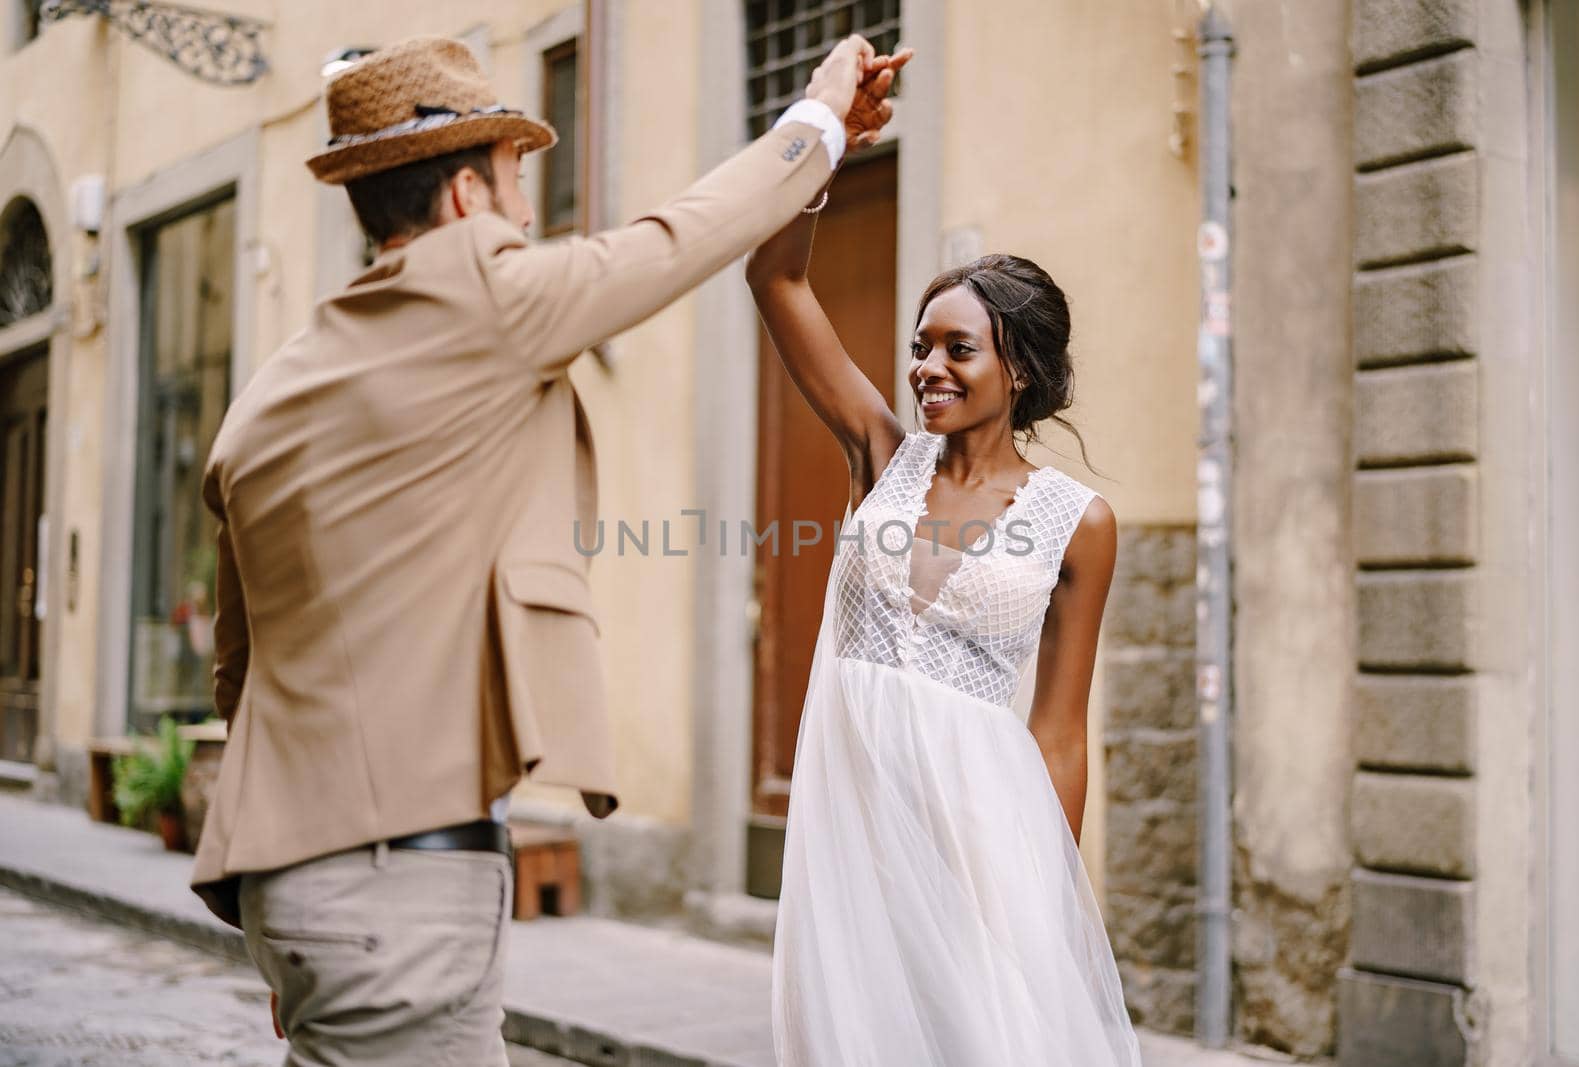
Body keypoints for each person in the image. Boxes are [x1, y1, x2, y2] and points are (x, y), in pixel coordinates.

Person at [188, 33, 904, 1065]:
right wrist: (822, 116)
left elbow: (238, 668)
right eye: (520, 182)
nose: (530, 214)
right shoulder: (482, 301)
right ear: (469, 196)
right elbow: (679, 238)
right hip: (400, 887)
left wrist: (303, 927)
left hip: (299, 888)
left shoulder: (270, 394)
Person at [747, 59, 1143, 1065]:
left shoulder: (1079, 523)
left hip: (980, 842)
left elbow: (1057, 733)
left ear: (1017, 368)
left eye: (956, 349)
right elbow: (775, 279)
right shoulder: (881, 455)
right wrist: (825, 142)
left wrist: (1045, 898)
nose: (926, 365)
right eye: (921, 344)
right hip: (853, 826)